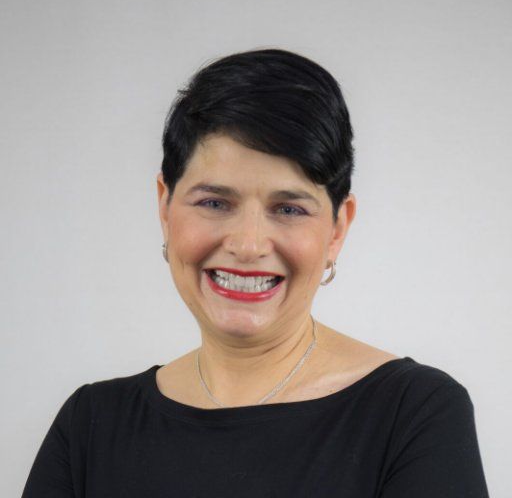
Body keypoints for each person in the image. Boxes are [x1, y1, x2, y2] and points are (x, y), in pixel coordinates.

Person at [22, 48, 489, 497]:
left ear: (337, 228)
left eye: (288, 209)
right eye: (214, 203)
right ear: (164, 208)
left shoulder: (412, 414)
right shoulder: (90, 427)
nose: (247, 245)